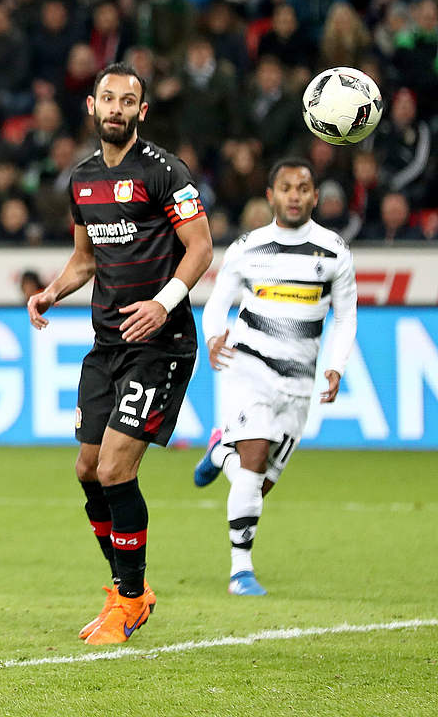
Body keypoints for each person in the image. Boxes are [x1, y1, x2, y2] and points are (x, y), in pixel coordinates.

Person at [26, 62, 213, 646]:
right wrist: (52, 291)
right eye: (107, 98)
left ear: (141, 112)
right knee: (87, 469)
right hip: (107, 343)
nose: (115, 108)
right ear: (91, 105)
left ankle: (130, 601)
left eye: (126, 101)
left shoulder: (165, 173)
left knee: (114, 468)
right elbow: (85, 258)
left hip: (160, 345)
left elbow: (201, 247)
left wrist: (163, 302)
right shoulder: (81, 180)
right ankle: (126, 586)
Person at [192, 158, 357, 596]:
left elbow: (345, 318)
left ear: (315, 196)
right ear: (271, 196)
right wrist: (212, 336)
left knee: (260, 480)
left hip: (299, 379)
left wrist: (336, 364)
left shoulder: (334, 251)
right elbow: (217, 302)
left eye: (303, 187)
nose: (295, 195)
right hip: (249, 367)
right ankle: (240, 571)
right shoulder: (248, 247)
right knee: (254, 458)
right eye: (286, 187)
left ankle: (218, 453)